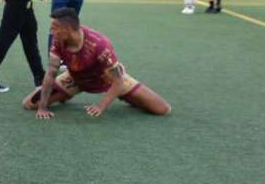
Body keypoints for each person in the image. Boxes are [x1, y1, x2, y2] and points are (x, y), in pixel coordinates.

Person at [24, 8, 170, 117]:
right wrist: (42, 107)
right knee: (29, 103)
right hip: (76, 79)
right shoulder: (58, 41)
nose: (51, 32)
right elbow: (50, 73)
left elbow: (118, 81)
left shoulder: (100, 45)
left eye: (54, 29)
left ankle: (125, 96)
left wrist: (101, 105)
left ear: (67, 29)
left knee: (161, 109)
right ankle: (65, 94)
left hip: (108, 80)